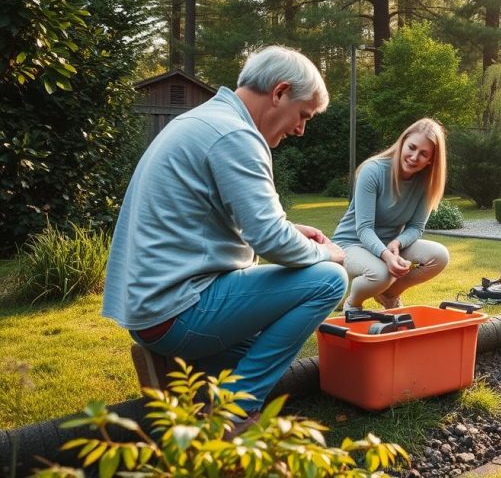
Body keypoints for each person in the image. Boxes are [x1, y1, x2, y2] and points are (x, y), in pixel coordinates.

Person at [103, 46, 348, 426]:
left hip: (152, 311)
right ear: (280, 92)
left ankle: (182, 369)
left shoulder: (205, 121)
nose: (301, 129)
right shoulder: (236, 135)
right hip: (176, 311)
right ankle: (234, 410)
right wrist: (327, 255)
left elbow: (219, 223)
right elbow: (271, 240)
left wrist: (290, 231)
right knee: (329, 281)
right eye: (303, 115)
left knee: (263, 351)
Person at [331, 118, 450, 311]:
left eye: (423, 154)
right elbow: (364, 228)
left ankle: (388, 293)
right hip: (352, 244)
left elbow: (416, 228)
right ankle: (353, 303)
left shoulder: (426, 183)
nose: (414, 157)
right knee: (382, 274)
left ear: (431, 160)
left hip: (389, 244)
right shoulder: (373, 171)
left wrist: (397, 243)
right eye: (411, 147)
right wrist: (387, 256)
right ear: (402, 142)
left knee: (439, 256)